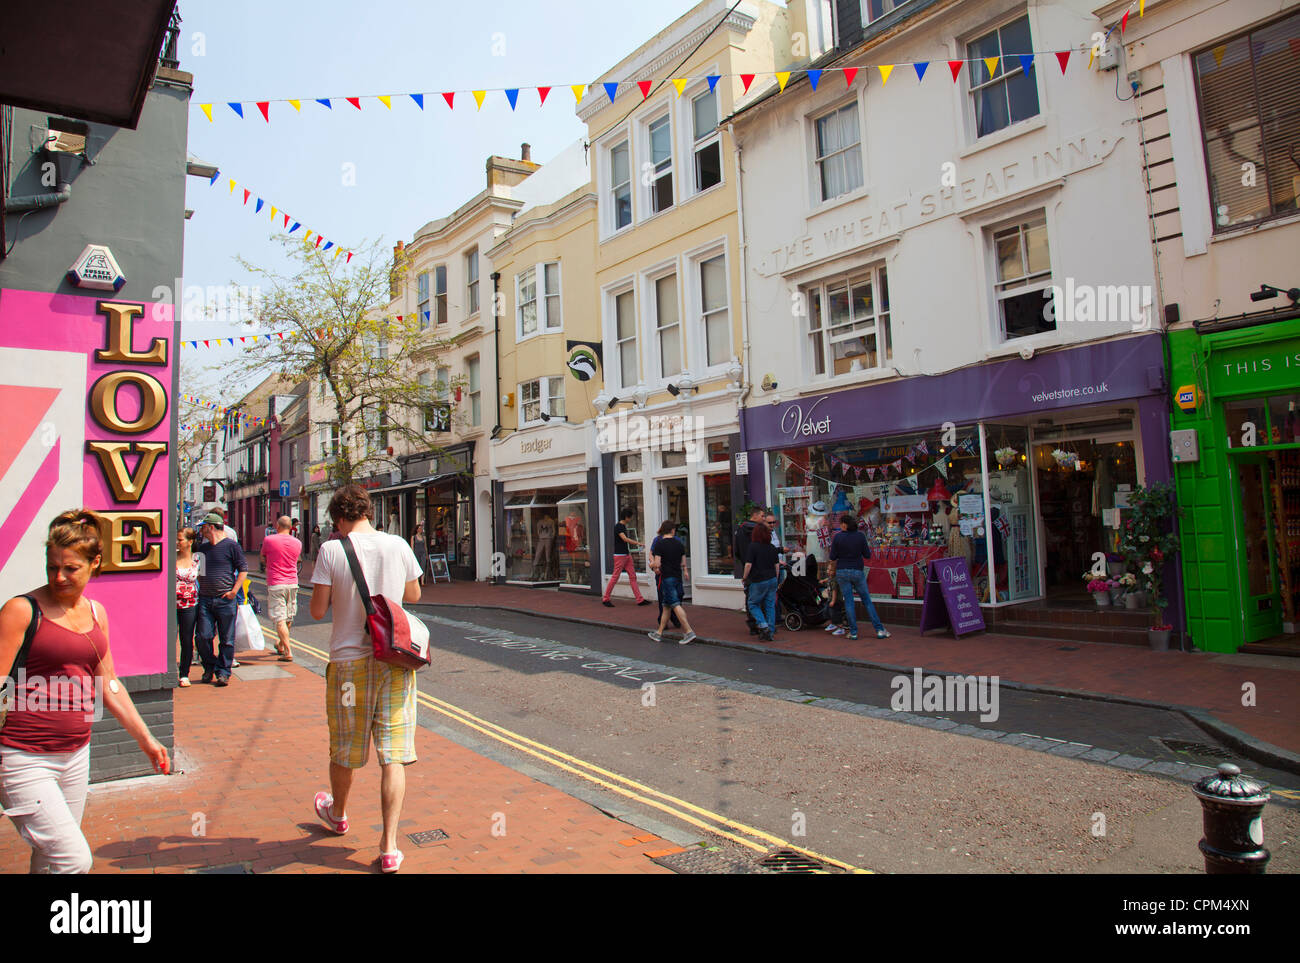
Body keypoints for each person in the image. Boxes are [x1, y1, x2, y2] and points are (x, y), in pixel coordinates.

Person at [0, 509, 170, 873]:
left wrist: (146, 739)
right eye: (52, 567)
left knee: (49, 859)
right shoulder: (21, 611)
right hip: (23, 758)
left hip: (76, 755)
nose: (59, 577)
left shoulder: (96, 613)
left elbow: (108, 683)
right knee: (74, 859)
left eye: (70, 568)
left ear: (95, 563)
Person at [309, 484, 422, 873]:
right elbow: (415, 594)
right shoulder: (398, 544)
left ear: (338, 518)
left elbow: (319, 610)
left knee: (345, 745)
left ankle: (338, 813)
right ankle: (390, 847)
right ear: (368, 512)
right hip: (394, 661)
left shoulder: (331, 550)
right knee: (393, 752)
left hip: (347, 667)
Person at [194, 511, 249, 686]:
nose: (201, 532)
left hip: (226, 600)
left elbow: (243, 570)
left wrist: (234, 592)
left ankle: (223, 672)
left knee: (227, 639)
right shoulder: (202, 549)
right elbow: (200, 573)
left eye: (203, 528)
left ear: (210, 527)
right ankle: (209, 667)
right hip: (205, 600)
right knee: (202, 636)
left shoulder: (232, 546)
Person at [828, 514, 890, 641]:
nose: (840, 526)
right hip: (857, 570)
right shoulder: (860, 536)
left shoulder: (838, 537)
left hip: (842, 571)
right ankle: (879, 629)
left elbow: (833, 556)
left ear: (844, 525)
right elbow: (867, 555)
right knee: (866, 600)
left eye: (841, 524)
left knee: (849, 602)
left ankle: (853, 632)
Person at [648, 521, 696, 645]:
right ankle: (658, 633)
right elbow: (683, 562)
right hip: (677, 576)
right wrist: (685, 571)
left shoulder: (660, 544)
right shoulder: (679, 544)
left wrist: (651, 564)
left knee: (674, 604)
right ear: (672, 530)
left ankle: (689, 631)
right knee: (666, 606)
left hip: (667, 577)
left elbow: (657, 563)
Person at [262, 516, 301, 662]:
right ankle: (280, 644)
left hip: (276, 583)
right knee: (288, 616)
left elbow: (262, 557)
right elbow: (297, 559)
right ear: (291, 527)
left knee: (280, 619)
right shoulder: (297, 542)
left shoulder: (269, 540)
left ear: (278, 526)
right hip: (292, 582)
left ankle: (288, 651)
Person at [742, 522, 783, 642]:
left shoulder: (753, 546)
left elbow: (748, 564)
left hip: (758, 580)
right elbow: (776, 565)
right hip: (771, 579)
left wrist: (744, 577)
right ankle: (770, 631)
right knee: (770, 605)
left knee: (753, 604)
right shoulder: (771, 548)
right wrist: (775, 578)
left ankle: (763, 625)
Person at [602, 508, 650, 608]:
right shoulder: (619, 526)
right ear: (626, 517)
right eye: (630, 517)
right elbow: (624, 539)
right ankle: (606, 598)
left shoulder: (623, 526)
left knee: (633, 577)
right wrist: (638, 543)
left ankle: (639, 599)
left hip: (626, 555)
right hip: (620, 556)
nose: (631, 519)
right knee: (615, 577)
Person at [733, 505, 764, 635]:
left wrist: (744, 562)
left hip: (747, 567)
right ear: (755, 515)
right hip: (760, 568)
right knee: (762, 597)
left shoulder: (740, 530)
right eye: (762, 516)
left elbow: (737, 551)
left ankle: (753, 624)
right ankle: (763, 624)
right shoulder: (759, 530)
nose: (763, 518)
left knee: (750, 597)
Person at [176, 527, 200, 686]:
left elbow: (203, 581)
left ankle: (184, 673)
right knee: (168, 638)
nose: (177, 543)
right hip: (171, 604)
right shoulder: (170, 557)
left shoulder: (199, 559)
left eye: (180, 540)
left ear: (190, 542)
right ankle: (167, 669)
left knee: (186, 639)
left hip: (190, 604)